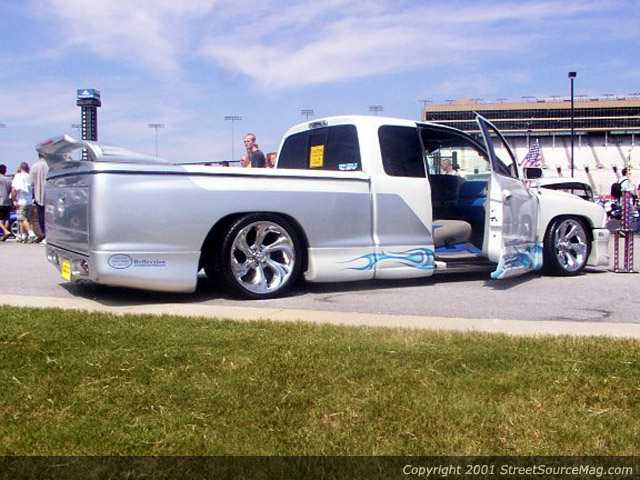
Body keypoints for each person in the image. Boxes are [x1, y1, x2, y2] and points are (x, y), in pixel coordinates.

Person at [11, 162, 37, 243]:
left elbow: (14, 190)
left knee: (22, 219)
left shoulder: (18, 176)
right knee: (27, 220)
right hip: (29, 201)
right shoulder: (29, 176)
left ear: (20, 168)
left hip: (21, 201)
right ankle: (24, 236)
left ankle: (31, 234)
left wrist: (14, 200)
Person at [30, 153, 49, 242]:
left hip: (38, 194)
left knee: (41, 215)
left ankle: (44, 234)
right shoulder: (49, 165)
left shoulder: (34, 166)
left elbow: (31, 183)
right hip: (50, 194)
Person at [0, 164, 12, 241]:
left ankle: (5, 231)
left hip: (0, 201)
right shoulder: (9, 179)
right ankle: (5, 235)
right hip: (8, 201)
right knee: (6, 219)